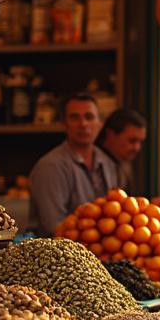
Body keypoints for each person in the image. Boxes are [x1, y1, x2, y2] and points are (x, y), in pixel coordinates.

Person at [27, 92, 120, 234]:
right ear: (63, 124)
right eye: (74, 117)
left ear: (100, 123)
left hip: (98, 250)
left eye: (89, 117)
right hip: (56, 252)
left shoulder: (107, 163)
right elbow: (54, 226)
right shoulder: (50, 167)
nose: (83, 124)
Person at [98, 109, 147, 191]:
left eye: (140, 142)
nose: (137, 148)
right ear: (111, 135)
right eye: (132, 140)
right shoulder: (95, 164)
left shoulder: (124, 164)